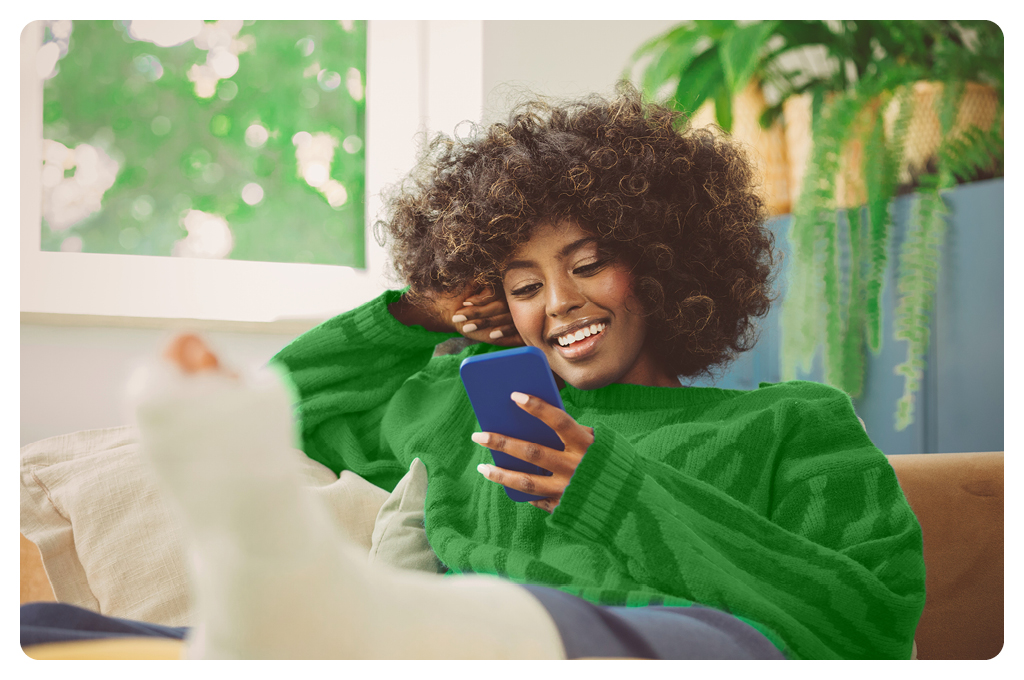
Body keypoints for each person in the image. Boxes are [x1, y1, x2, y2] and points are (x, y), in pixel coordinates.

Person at [21, 85, 925, 660]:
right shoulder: (467, 404)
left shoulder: (792, 424)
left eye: (586, 261)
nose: (557, 301)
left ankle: (314, 619)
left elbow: (872, 624)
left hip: (694, 646)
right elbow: (288, 411)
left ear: (663, 259)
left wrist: (606, 488)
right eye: (522, 284)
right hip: (448, 643)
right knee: (48, 634)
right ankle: (311, 625)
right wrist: (419, 313)